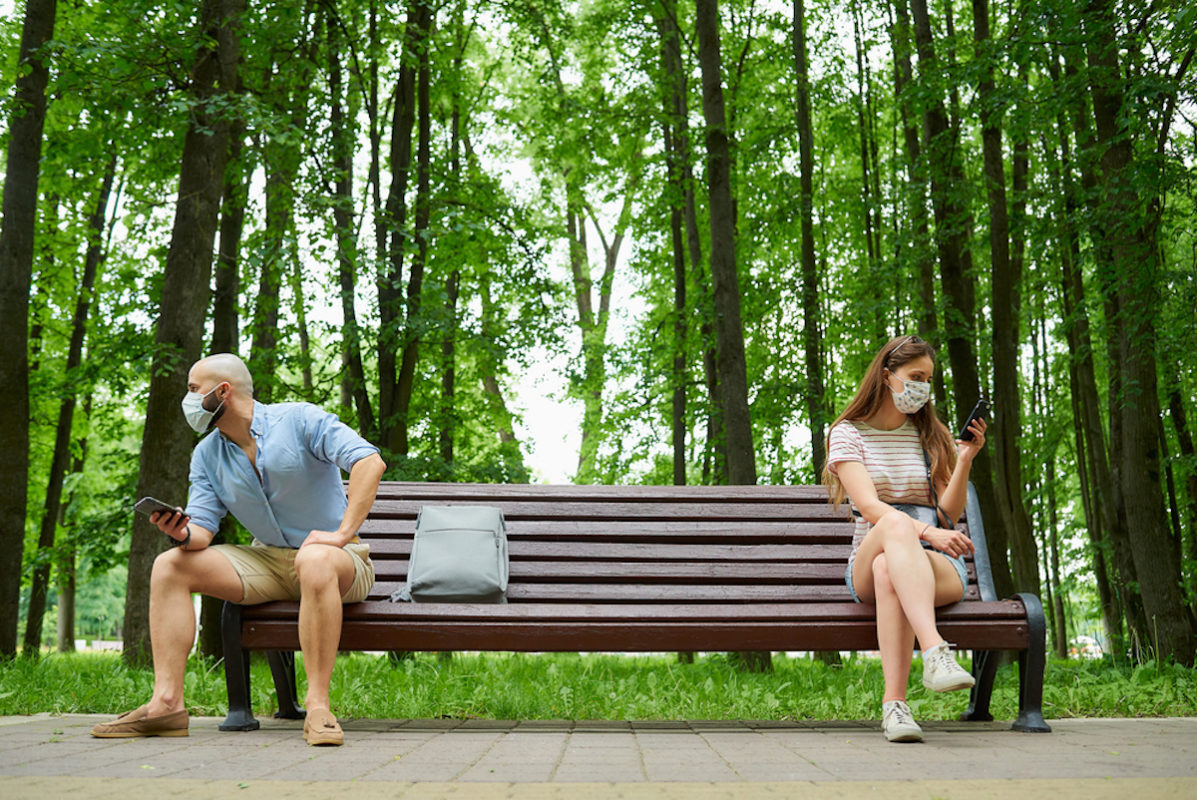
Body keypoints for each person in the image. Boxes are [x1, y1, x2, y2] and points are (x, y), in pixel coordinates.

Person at [91, 353, 387, 746]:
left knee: (313, 558)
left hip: (338, 562)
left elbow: (369, 461)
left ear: (223, 392)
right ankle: (167, 705)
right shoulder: (207, 454)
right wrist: (179, 531)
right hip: (269, 561)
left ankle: (318, 707)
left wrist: (342, 533)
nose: (189, 399)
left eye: (194, 390)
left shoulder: (298, 420)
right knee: (169, 566)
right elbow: (201, 531)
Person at [822, 335, 988, 743]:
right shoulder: (846, 434)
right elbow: (870, 507)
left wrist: (964, 459)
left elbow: (948, 513)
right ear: (886, 376)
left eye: (928, 379)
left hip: (934, 567)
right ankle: (935, 651)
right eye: (915, 376)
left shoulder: (930, 433)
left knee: (888, 569)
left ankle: (894, 707)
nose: (922, 388)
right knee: (891, 529)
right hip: (868, 555)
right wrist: (927, 529)